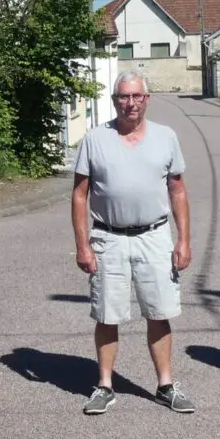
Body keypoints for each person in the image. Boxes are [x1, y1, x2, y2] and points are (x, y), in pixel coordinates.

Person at [72, 71, 195, 415]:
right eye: (123, 97)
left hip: (154, 236)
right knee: (106, 314)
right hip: (108, 237)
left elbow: (178, 190)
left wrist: (184, 240)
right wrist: (82, 245)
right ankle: (104, 386)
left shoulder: (165, 137)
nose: (130, 103)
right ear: (115, 101)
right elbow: (80, 195)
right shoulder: (95, 139)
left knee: (159, 312)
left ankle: (165, 385)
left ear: (147, 99)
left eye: (136, 96)